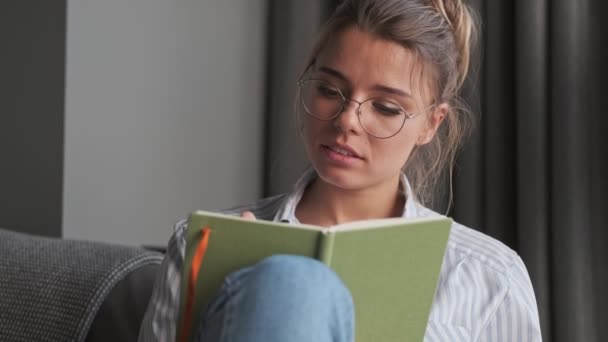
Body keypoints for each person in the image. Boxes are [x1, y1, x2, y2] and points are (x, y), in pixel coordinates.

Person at [139, 0, 542, 341]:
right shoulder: (203, 242)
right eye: (330, 91)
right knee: (289, 285)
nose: (347, 119)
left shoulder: (489, 276)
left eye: (386, 108)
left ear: (430, 124)